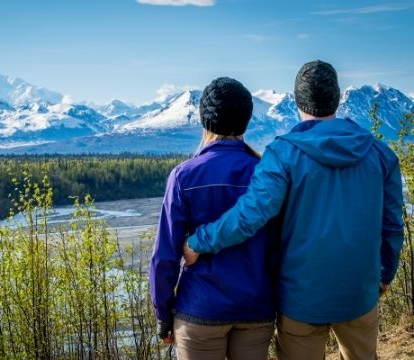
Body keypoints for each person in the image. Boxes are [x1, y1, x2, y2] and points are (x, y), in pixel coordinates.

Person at [183, 60, 405, 360]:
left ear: (298, 101)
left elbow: (250, 216)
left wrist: (199, 242)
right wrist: (384, 275)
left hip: (301, 299)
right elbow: (391, 225)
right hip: (359, 292)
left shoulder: (283, 153)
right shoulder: (380, 153)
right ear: (337, 99)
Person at [149, 77, 277, 360]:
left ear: (204, 120)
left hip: (200, 309)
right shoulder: (267, 173)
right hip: (255, 308)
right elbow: (278, 246)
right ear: (245, 120)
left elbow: (165, 256)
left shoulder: (184, 176)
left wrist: (163, 314)